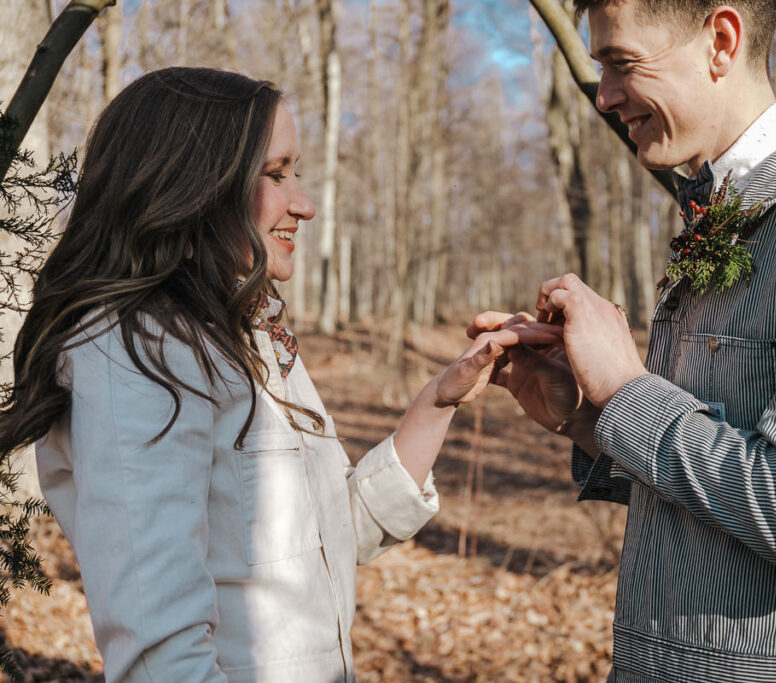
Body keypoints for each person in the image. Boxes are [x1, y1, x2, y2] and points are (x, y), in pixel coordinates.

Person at [0, 67, 558, 682]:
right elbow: (161, 657)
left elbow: (327, 542)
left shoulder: (243, 334)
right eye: (276, 173)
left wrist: (437, 401)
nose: (305, 203)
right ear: (194, 183)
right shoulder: (135, 352)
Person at [471, 0, 776, 680]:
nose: (607, 96)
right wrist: (588, 415)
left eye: (622, 63)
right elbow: (719, 508)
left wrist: (629, 390)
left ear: (721, 41)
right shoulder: (725, 212)